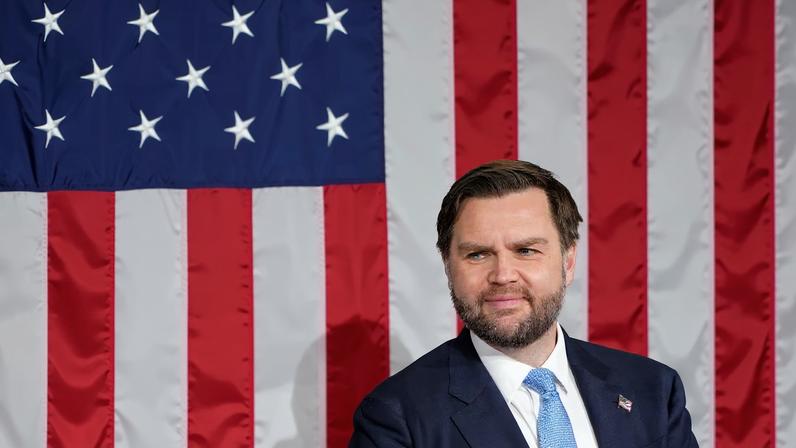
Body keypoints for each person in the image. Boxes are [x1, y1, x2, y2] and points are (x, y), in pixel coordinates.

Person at [349, 160, 698, 447]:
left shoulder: (653, 391)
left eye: (526, 250)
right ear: (448, 267)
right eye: (477, 254)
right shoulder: (397, 418)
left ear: (568, 262)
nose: (503, 275)